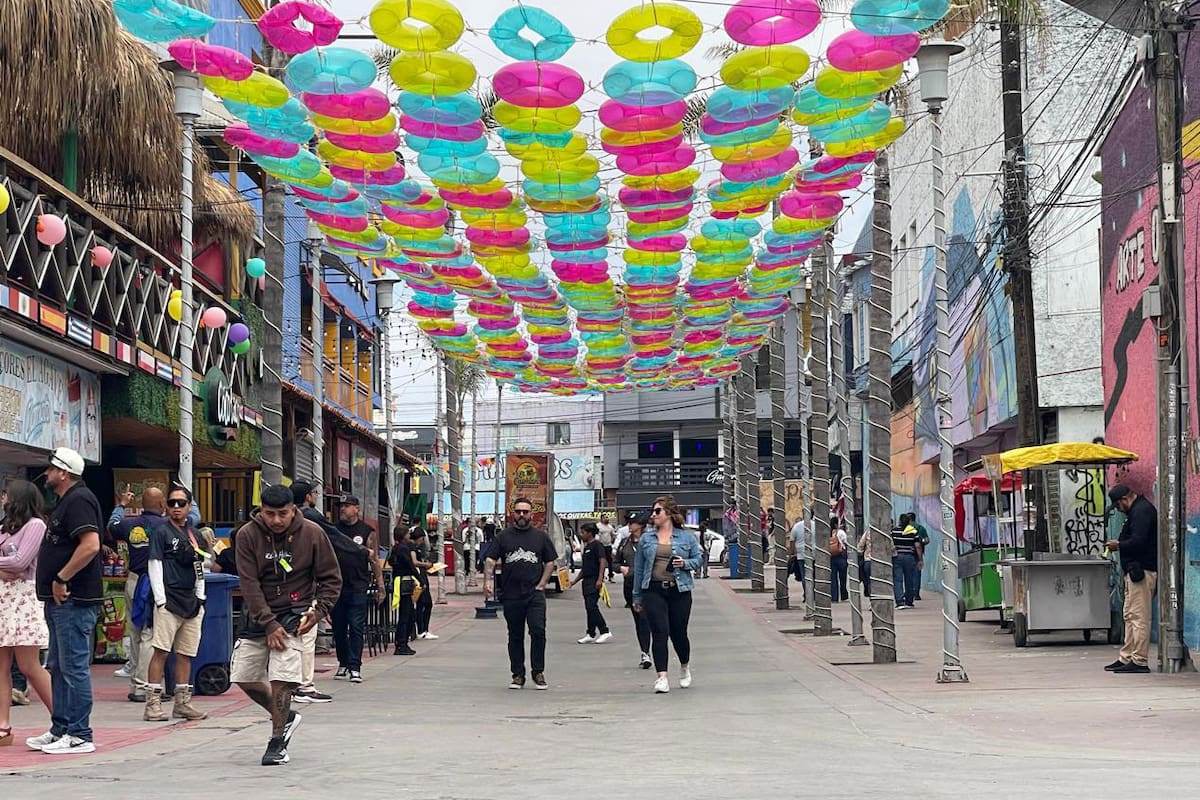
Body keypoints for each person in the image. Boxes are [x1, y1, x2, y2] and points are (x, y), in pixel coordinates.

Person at [231, 484, 341, 766]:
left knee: (282, 680)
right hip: (258, 615)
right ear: (261, 511)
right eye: (270, 514)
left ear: (294, 509)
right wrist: (268, 624)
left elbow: (331, 579)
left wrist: (317, 612)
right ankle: (286, 716)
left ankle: (277, 741)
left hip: (296, 615)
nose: (277, 520)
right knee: (243, 676)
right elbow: (249, 583)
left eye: (283, 513)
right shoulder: (247, 535)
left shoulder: (313, 534)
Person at [27, 448, 103, 755]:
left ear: (65, 473)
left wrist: (61, 578)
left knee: (73, 668)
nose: (47, 474)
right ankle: (61, 728)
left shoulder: (79, 500)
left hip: (74, 599)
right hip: (61, 603)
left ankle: (80, 734)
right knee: (58, 666)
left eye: (51, 469)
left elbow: (91, 545)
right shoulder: (66, 502)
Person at [143, 485, 207, 722]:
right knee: (160, 650)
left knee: (185, 653)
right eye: (172, 503)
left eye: (181, 503)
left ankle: (183, 702)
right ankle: (152, 703)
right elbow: (155, 564)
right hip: (169, 599)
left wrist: (201, 595)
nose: (177, 507)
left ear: (189, 507)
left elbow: (199, 567)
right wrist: (160, 599)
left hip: (191, 600)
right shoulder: (161, 532)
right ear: (165, 507)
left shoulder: (195, 535)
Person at [484, 497, 558, 690]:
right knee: (515, 635)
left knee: (538, 631)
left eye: (525, 512)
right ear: (512, 514)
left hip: (534, 595)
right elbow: (491, 559)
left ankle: (538, 672)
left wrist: (542, 583)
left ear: (531, 514)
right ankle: (518, 674)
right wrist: (487, 582)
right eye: (518, 511)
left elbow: (550, 562)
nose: (522, 515)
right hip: (511, 595)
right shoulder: (503, 537)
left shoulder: (540, 537)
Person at [632, 495, 704, 694]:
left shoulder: (687, 537)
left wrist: (685, 563)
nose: (654, 515)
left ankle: (684, 665)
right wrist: (636, 597)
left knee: (678, 633)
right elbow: (639, 568)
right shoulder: (647, 538)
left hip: (679, 591)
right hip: (654, 590)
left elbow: (699, 559)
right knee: (659, 632)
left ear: (669, 514)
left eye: (658, 511)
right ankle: (661, 677)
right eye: (653, 511)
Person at [0, 481, 53, 747]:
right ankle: (3, 725)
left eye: (6, 495)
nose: (3, 499)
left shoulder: (36, 525)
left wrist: (9, 566)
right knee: (1, 666)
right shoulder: (5, 528)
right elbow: (9, 563)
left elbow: (21, 562)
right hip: (3, 598)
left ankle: (63, 719)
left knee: (28, 665)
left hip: (24, 597)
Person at [107, 486, 166, 702]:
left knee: (134, 631)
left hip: (133, 580)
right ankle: (143, 687)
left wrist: (121, 505)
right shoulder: (166, 526)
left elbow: (111, 527)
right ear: (162, 505)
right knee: (149, 635)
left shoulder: (130, 524)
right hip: (154, 584)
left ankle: (134, 683)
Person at [289, 483, 337, 704]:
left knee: (296, 639)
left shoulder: (284, 526)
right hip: (305, 591)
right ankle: (304, 686)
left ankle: (294, 684)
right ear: (308, 497)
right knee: (305, 638)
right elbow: (334, 539)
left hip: (289, 592)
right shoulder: (311, 521)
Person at [1104, 485, 1158, 674]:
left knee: (1139, 617)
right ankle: (1127, 656)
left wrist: (1117, 545)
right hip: (1134, 571)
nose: (1119, 510)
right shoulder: (1136, 511)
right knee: (1129, 615)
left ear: (1125, 500)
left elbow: (1139, 541)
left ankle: (1139, 660)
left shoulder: (1142, 512)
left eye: (1118, 506)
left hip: (1142, 571)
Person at [615, 512, 652, 669]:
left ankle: (647, 652)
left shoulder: (650, 541)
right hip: (630, 585)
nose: (629, 525)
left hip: (648, 585)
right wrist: (621, 568)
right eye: (628, 522)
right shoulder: (625, 543)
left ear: (640, 525)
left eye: (632, 523)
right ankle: (645, 651)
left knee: (645, 619)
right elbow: (613, 562)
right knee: (639, 620)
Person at [570, 522, 611, 644]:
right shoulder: (587, 547)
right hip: (586, 581)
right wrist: (574, 581)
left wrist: (600, 579)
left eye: (583, 532)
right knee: (589, 607)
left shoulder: (597, 546)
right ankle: (591, 633)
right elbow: (584, 568)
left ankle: (605, 630)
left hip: (594, 580)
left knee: (592, 606)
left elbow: (603, 562)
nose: (581, 534)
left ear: (590, 533)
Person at [387, 524, 417, 656]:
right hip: (403, 582)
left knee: (408, 613)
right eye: (407, 534)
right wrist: (419, 579)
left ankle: (403, 642)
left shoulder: (395, 548)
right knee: (406, 614)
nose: (409, 536)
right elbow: (410, 565)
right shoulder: (403, 549)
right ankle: (401, 643)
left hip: (400, 581)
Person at [409, 528, 437, 641]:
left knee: (422, 604)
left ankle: (422, 629)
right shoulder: (412, 548)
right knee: (425, 604)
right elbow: (414, 562)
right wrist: (426, 565)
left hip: (421, 575)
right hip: (419, 577)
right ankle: (422, 629)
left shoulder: (415, 548)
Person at [891, 517, 920, 609]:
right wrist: (920, 559)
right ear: (909, 522)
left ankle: (899, 602)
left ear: (899, 521)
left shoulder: (894, 531)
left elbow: (890, 543)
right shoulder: (913, 531)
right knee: (909, 579)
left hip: (897, 557)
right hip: (909, 557)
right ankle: (909, 601)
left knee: (897, 579)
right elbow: (918, 546)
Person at [788, 515, 808, 601]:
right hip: (814, 554)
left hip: (801, 555)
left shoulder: (797, 526)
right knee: (813, 575)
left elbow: (792, 541)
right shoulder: (815, 524)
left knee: (804, 575)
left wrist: (792, 553)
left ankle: (807, 594)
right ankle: (812, 593)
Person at [829, 515, 849, 603]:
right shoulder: (841, 532)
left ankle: (834, 597)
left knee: (833, 578)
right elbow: (846, 543)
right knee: (843, 577)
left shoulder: (828, 532)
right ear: (837, 524)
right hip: (841, 556)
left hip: (832, 556)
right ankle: (844, 595)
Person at [596, 513, 616, 581]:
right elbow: (596, 536)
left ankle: (611, 576)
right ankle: (601, 576)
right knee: (601, 561)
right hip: (601, 546)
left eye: (607, 517)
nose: (607, 519)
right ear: (601, 519)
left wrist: (612, 540)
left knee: (609, 561)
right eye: (605, 518)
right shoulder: (598, 526)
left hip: (608, 545)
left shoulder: (610, 527)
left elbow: (613, 534)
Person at [856, 528, 872, 598]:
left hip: (868, 560)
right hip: (882, 562)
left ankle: (871, 601)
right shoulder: (884, 532)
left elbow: (860, 546)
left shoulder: (868, 532)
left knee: (869, 582)